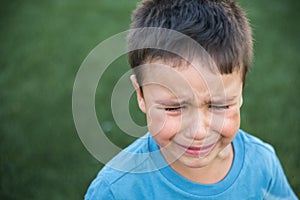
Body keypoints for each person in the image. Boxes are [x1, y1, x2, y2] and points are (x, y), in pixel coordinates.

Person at [85, 0, 297, 199]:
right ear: (141, 95)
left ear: (241, 91)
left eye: (220, 105)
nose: (198, 132)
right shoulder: (115, 191)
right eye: (173, 108)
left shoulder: (262, 164)